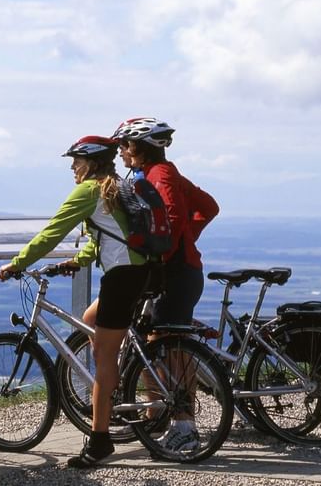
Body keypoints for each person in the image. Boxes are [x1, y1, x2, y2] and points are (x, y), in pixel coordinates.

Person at [0, 135, 155, 468]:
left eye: (76, 161)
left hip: (122, 276)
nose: (72, 167)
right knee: (91, 320)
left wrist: (18, 263)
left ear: (92, 163)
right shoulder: (115, 187)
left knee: (103, 354)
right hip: (139, 271)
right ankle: (120, 391)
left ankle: (99, 441)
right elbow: (108, 234)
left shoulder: (89, 190)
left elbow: (53, 232)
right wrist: (78, 261)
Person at [112, 117, 219, 451]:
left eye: (124, 146)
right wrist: (188, 237)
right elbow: (208, 208)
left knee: (172, 352)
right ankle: (157, 412)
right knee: (155, 345)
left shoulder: (161, 175)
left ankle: (184, 425)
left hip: (174, 274)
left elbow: (172, 217)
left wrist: (167, 252)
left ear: (140, 148)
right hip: (177, 271)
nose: (121, 154)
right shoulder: (161, 173)